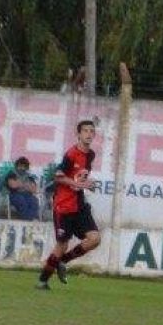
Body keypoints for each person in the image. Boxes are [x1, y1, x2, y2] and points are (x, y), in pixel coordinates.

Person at [36, 120, 101, 290]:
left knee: (94, 239)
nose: (88, 134)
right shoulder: (71, 154)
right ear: (78, 134)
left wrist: (87, 183)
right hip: (64, 206)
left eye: (91, 131)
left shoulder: (91, 155)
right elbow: (58, 177)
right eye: (85, 131)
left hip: (79, 205)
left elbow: (78, 177)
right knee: (62, 245)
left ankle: (63, 261)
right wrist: (80, 185)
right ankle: (43, 281)